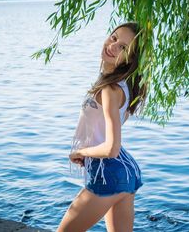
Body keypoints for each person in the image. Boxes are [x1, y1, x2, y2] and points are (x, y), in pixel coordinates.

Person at [57, 22, 148, 232]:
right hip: (125, 171)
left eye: (123, 48)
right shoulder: (120, 84)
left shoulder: (110, 89)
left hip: (109, 171)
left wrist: (80, 152)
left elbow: (111, 148)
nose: (113, 46)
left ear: (130, 59)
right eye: (114, 38)